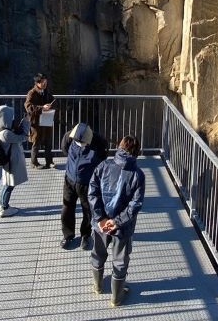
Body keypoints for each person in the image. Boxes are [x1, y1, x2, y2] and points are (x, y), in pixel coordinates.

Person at [88, 135, 145, 307]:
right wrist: (117, 221)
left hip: (101, 224)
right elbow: (135, 205)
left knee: (98, 253)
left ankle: (98, 286)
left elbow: (92, 192)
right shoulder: (138, 175)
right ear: (137, 152)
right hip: (123, 227)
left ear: (120, 148)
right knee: (120, 260)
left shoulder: (103, 165)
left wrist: (100, 218)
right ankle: (116, 297)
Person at [59, 122, 108, 250]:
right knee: (67, 207)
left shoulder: (99, 142)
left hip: (87, 183)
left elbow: (103, 158)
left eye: (83, 143)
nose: (80, 144)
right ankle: (68, 235)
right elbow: (64, 148)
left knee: (88, 210)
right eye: (77, 142)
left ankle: (85, 234)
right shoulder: (70, 136)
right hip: (69, 179)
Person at [0, 105, 29, 217]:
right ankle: (5, 207)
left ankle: (1, 204)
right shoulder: (6, 133)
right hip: (12, 161)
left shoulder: (1, 129)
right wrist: (26, 122)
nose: (13, 119)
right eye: (10, 117)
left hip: (8, 161)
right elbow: (23, 137)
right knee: (10, 185)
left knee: (7, 184)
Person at [24, 73, 55, 169]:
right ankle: (34, 162)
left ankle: (49, 161)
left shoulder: (46, 92)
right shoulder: (32, 93)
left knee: (48, 141)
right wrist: (42, 108)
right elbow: (28, 106)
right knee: (36, 141)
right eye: (42, 82)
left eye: (46, 82)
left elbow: (52, 100)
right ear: (37, 83)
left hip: (46, 119)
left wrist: (51, 105)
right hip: (36, 121)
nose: (45, 84)